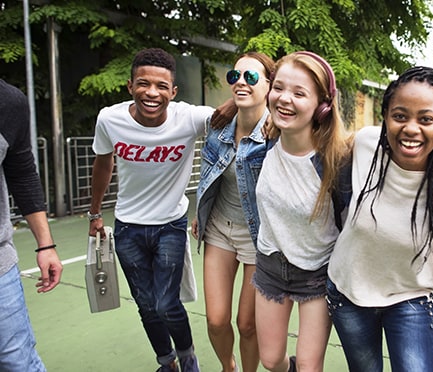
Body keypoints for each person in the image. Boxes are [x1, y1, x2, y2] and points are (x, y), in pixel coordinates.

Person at [327, 67, 433, 372]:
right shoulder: (366, 144)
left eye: (426, 119)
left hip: (411, 296)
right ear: (385, 117)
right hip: (349, 293)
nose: (411, 128)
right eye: (399, 116)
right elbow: (315, 140)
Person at [88, 48, 214, 372]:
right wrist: (94, 213)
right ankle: (167, 362)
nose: (152, 93)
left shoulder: (189, 118)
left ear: (173, 92)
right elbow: (103, 164)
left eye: (161, 86)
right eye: (143, 84)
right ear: (130, 86)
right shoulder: (109, 119)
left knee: (166, 302)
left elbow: (233, 118)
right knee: (146, 304)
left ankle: (188, 358)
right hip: (128, 228)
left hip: (171, 224)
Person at [252, 51, 351, 372]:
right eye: (278, 88)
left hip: (317, 273)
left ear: (322, 104)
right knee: (270, 361)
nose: (284, 99)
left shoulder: (337, 159)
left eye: (299, 93)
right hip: (271, 264)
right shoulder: (261, 143)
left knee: (310, 367)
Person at [191, 51, 275, 372]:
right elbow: (208, 175)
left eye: (251, 77)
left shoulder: (278, 133)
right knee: (215, 320)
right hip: (219, 229)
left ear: (269, 86)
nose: (240, 82)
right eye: (234, 76)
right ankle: (229, 366)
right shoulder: (219, 125)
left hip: (259, 238)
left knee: (247, 324)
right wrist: (202, 211)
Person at [0, 79, 63, 372]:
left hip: (0, 264)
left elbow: (22, 173)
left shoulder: (8, 102)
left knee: (17, 362)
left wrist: (46, 245)